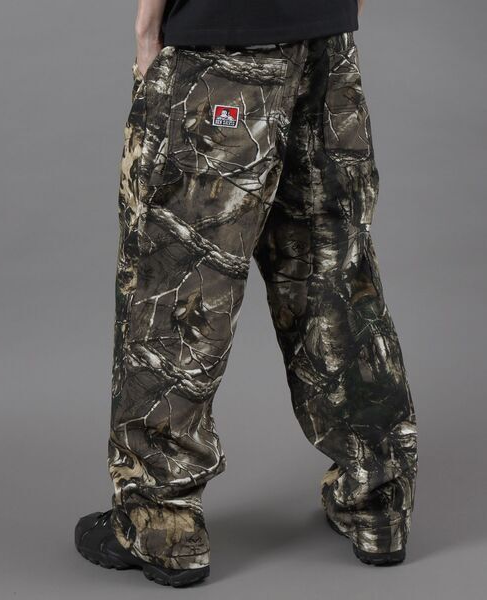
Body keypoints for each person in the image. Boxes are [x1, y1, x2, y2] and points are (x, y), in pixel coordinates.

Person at [75, 0, 418, 587]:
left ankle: (162, 522)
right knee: (333, 270)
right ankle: (376, 502)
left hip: (218, 42)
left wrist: (147, 26)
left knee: (181, 283)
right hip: (326, 40)